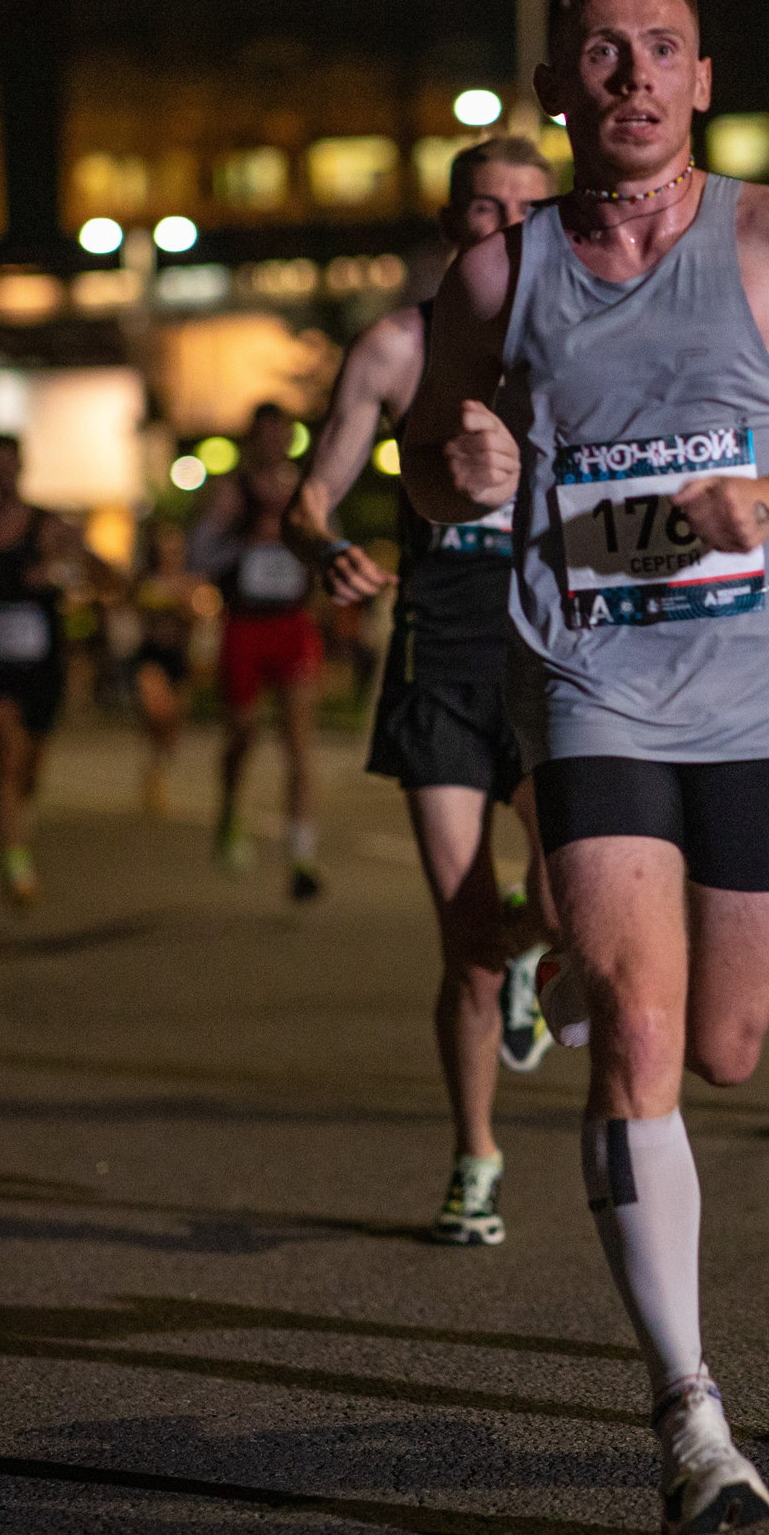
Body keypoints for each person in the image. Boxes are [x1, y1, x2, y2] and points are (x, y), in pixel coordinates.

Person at [400, 0, 769, 1535]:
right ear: (562, 89)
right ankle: (691, 1411)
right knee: (644, 1049)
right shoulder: (503, 277)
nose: (634, 74)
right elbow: (432, 473)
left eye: (664, 49)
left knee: (722, 1046)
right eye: (602, 53)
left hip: (758, 699)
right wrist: (465, 460)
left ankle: (568, 963)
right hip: (591, 683)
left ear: (702, 80)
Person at [285, 135, 565, 1246]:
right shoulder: (398, 347)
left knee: (560, 903)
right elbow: (314, 494)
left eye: (524, 211)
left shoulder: (579, 339)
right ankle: (476, 1162)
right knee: (461, 945)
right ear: (450, 223)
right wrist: (323, 550)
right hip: (440, 647)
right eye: (481, 210)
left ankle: (531, 953)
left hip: (554, 649)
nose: (500, 228)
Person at [0, 436, 101, 907]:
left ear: (21, 467)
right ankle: (17, 866)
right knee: (7, 753)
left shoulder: (48, 527)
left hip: (41, 664)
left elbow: (97, 568)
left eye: (9, 464)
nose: (2, 473)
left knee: (28, 768)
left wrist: (58, 574)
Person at [192, 403, 327, 901]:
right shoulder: (232, 492)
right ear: (252, 439)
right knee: (242, 734)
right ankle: (230, 808)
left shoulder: (303, 491)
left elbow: (326, 548)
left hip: (291, 623)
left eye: (281, 435)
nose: (273, 443)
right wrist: (246, 541)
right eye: (264, 435)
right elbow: (198, 554)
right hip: (245, 625)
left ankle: (302, 856)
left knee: (298, 745)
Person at [129, 522, 200, 818]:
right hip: (151, 656)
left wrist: (183, 605)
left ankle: (155, 771)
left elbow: (200, 619)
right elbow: (129, 611)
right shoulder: (146, 582)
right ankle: (154, 773)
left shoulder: (190, 583)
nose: (170, 555)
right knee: (160, 711)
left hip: (179, 658)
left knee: (172, 727)